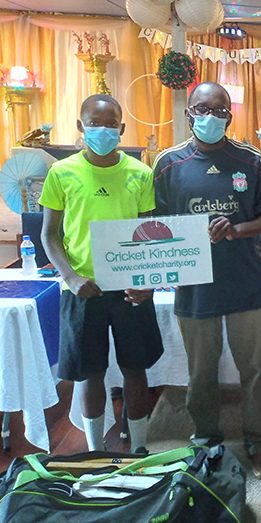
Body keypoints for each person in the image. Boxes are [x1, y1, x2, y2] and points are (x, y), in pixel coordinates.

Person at [152, 82, 261, 480]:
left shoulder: (250, 159)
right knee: (200, 372)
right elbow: (152, 224)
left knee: (256, 370)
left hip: (247, 283)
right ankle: (206, 439)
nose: (211, 116)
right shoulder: (168, 163)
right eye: (203, 108)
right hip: (194, 287)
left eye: (220, 109)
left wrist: (238, 229)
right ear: (190, 112)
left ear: (230, 114)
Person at [39, 94, 164, 453]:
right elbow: (49, 234)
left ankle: (138, 446)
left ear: (122, 129)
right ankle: (95, 452)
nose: (104, 131)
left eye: (111, 125)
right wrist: (71, 278)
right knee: (90, 373)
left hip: (129, 288)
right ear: (81, 127)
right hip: (82, 288)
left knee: (135, 370)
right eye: (95, 124)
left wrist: (148, 282)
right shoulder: (62, 173)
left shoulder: (141, 174)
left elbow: (150, 235)